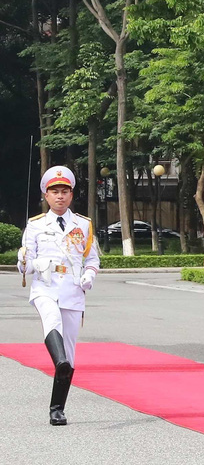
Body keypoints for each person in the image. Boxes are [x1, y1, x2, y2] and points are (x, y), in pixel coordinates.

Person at [17, 165, 100, 426]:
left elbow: (92, 259)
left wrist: (89, 275)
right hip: (45, 286)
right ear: (46, 195)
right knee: (51, 320)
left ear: (72, 195)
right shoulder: (35, 225)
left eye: (65, 191)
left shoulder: (83, 225)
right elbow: (27, 264)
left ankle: (57, 409)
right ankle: (59, 359)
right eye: (55, 191)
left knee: (70, 354)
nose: (60, 196)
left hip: (73, 290)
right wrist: (22, 260)